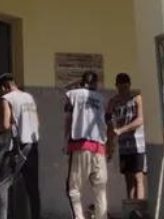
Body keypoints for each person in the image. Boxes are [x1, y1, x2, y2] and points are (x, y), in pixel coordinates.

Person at [0, 73, 40, 219]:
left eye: (2, 89)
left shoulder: (7, 98)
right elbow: (37, 122)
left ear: (4, 87)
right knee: (32, 188)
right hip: (33, 146)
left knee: (3, 185)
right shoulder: (29, 97)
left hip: (19, 148)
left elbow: (5, 124)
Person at [64, 70, 109, 219]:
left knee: (74, 188)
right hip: (99, 147)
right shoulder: (102, 99)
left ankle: (79, 217)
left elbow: (68, 119)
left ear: (82, 82)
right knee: (100, 190)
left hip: (80, 145)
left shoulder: (72, 95)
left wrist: (65, 141)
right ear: (95, 83)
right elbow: (107, 122)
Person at [108, 72, 147, 201]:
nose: (123, 90)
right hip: (124, 146)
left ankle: (139, 206)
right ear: (116, 86)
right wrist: (110, 144)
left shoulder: (137, 99)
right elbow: (109, 123)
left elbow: (140, 120)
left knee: (138, 177)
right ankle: (130, 207)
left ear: (129, 85)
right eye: (120, 87)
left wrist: (122, 130)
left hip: (138, 145)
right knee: (128, 179)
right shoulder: (114, 102)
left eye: (125, 86)